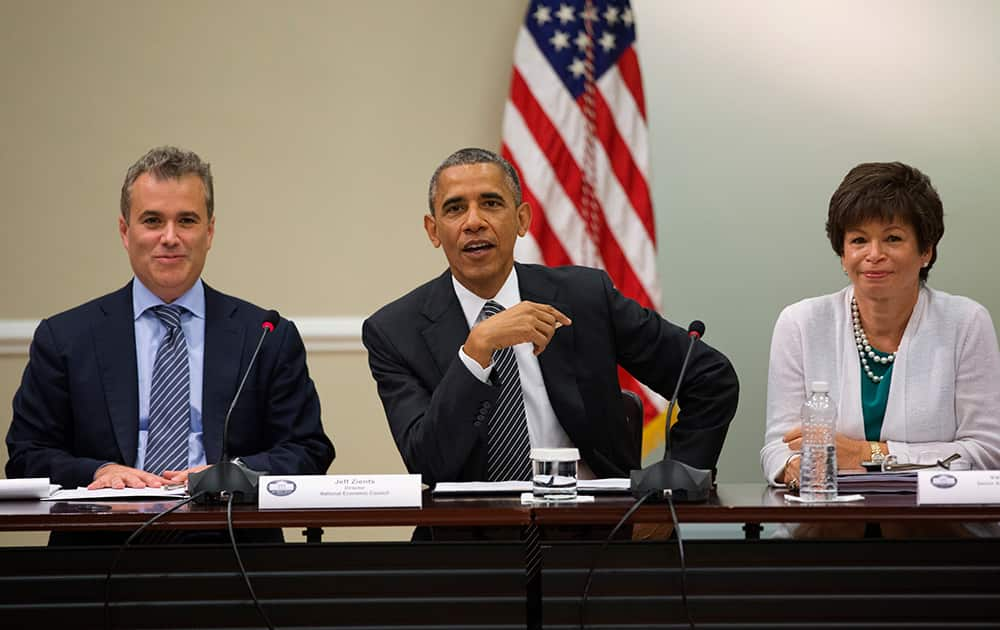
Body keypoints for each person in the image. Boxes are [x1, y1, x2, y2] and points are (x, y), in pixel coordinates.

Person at [363, 147, 739, 487]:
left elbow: (709, 379)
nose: (473, 221)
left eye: (491, 203)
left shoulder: (585, 297)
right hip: (467, 541)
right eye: (455, 208)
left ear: (522, 219)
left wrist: (670, 491)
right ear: (433, 230)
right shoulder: (395, 331)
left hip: (593, 535)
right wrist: (477, 349)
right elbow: (429, 464)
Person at [6, 146, 335, 507]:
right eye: (152, 221)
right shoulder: (65, 338)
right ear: (124, 231)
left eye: (187, 221)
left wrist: (231, 474)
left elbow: (308, 450)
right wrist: (99, 471)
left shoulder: (265, 336)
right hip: (101, 540)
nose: (170, 237)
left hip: (230, 539)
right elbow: (26, 456)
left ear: (209, 232)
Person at [762, 162, 1000, 498]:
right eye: (859, 240)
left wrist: (866, 455)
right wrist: (794, 467)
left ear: (926, 252)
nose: (874, 255)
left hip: (937, 527)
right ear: (843, 255)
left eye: (893, 238)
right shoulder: (800, 323)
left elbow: (986, 453)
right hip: (829, 523)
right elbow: (779, 446)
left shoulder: (965, 323)